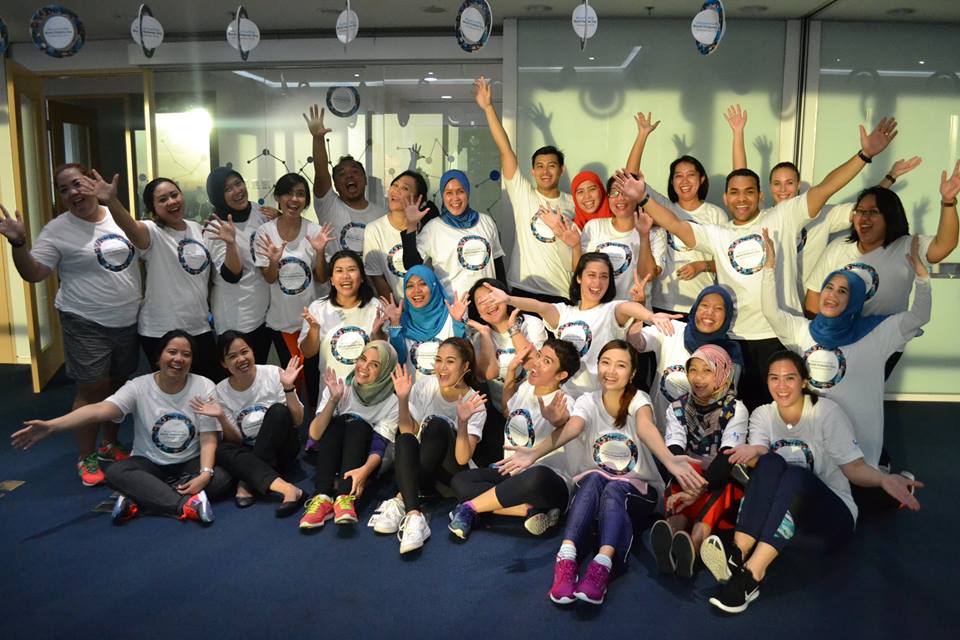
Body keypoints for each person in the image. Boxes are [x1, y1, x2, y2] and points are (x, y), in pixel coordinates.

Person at [614, 115, 899, 410]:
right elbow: (674, 223)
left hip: (779, 335)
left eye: (749, 192)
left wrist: (865, 155)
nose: (742, 199)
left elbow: (826, 188)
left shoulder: (783, 216)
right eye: (734, 192)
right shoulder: (717, 233)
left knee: (783, 411)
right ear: (725, 198)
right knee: (738, 414)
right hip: (733, 338)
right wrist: (643, 197)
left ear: (760, 195)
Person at [702, 351, 921, 614]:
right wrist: (753, 450)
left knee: (796, 475)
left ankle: (752, 576)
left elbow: (854, 468)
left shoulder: (825, 413)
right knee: (770, 462)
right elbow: (760, 451)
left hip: (830, 523)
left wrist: (883, 479)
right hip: (784, 527)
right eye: (774, 378)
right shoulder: (763, 414)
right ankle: (737, 555)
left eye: (790, 378)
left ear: (804, 381)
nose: (781, 386)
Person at [532, 340, 706, 605]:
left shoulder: (639, 399)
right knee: (592, 478)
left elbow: (646, 427)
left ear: (632, 373)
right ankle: (566, 560)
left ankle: (602, 565)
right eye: (606, 363)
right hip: (597, 488)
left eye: (621, 365)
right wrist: (533, 453)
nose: (611, 371)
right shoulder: (587, 400)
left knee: (614, 487)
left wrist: (669, 459)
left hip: (637, 491)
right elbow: (573, 428)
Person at [0, 164, 141, 486]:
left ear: (92, 183)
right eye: (63, 189)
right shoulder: (57, 230)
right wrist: (19, 244)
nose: (72, 193)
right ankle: (86, 455)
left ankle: (110, 443)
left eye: (77, 184)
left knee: (119, 385)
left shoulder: (116, 217)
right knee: (92, 388)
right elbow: (34, 273)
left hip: (127, 318)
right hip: (85, 320)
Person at [11, 330, 235, 525]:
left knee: (222, 479)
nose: (178, 359)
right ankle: (185, 505)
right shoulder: (138, 386)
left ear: (192, 361)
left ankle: (141, 497)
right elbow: (99, 409)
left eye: (186, 354)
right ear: (158, 357)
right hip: (149, 463)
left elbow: (208, 437)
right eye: (172, 352)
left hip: (189, 463)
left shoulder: (203, 385)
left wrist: (205, 474)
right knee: (116, 472)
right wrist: (52, 426)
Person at [759, 229, 931, 468]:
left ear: (856, 299)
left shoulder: (876, 333)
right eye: (828, 287)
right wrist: (769, 268)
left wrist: (922, 277)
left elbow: (919, 316)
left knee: (860, 483)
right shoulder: (802, 331)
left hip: (860, 439)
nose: (832, 295)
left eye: (843, 291)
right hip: (815, 437)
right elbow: (771, 312)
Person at [724, 104, 922, 288]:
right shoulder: (764, 216)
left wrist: (889, 176)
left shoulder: (823, 214)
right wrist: (738, 133)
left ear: (798, 185)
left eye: (789, 183)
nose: (783, 189)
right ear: (769, 188)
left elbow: (864, 206)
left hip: (811, 301)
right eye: (777, 184)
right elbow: (741, 180)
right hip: (771, 301)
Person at [479, 253, 679, 398]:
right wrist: (509, 299)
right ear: (579, 277)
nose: (597, 282)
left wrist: (651, 316)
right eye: (591, 275)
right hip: (565, 397)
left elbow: (630, 307)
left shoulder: (612, 309)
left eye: (604, 276)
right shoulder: (564, 312)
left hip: (600, 398)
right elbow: (538, 305)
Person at [83, 173, 220, 380]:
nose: (171, 201)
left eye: (174, 195)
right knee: (170, 388)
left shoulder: (196, 228)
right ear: (153, 208)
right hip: (160, 329)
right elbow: (130, 227)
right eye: (162, 199)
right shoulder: (151, 231)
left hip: (199, 325)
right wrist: (112, 201)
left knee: (207, 384)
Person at [447, 338, 580, 539]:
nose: (536, 363)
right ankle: (529, 511)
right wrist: (510, 372)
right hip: (513, 473)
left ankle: (469, 508)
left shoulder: (564, 401)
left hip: (549, 483)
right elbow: (508, 410)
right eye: (539, 356)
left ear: (561, 375)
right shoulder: (526, 387)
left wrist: (555, 418)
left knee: (536, 476)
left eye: (546, 361)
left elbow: (563, 420)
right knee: (461, 481)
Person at [369, 338, 487, 554]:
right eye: (438, 360)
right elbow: (408, 430)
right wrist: (402, 399)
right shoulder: (426, 386)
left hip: (451, 478)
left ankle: (401, 498)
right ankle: (414, 514)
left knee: (437, 424)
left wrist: (462, 423)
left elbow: (462, 458)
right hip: (425, 475)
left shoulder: (475, 402)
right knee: (404, 439)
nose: (442, 368)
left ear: (465, 367)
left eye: (450, 362)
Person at [804, 164, 958, 320]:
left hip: (887, 335)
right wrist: (819, 332)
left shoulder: (906, 247)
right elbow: (814, 294)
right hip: (839, 335)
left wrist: (948, 202)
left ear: (890, 217)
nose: (864, 218)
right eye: (860, 211)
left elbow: (944, 245)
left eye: (874, 212)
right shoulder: (838, 247)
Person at [474, 76, 575, 303]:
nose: (545, 171)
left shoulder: (573, 203)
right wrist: (488, 107)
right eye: (540, 166)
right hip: (523, 289)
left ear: (561, 170)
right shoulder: (524, 195)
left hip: (561, 293)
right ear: (532, 171)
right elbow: (505, 149)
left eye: (551, 166)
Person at [650, 345, 748, 578]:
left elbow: (726, 459)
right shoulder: (678, 407)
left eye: (707, 371)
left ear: (723, 373)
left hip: (721, 481)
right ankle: (673, 533)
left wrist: (695, 490)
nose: (698, 378)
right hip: (688, 479)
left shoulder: (735, 409)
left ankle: (693, 544)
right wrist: (688, 482)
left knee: (721, 483)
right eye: (693, 370)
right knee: (684, 468)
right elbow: (675, 451)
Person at [189, 331, 305, 513]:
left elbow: (297, 421)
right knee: (221, 449)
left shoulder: (272, 373)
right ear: (224, 363)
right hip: (248, 451)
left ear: (252, 351)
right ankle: (283, 487)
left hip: (282, 449)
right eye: (232, 356)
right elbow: (236, 441)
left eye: (244, 352)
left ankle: (246, 482)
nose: (241, 359)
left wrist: (288, 388)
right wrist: (221, 417)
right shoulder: (220, 391)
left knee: (278, 411)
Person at [626, 112, 725, 318]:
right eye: (678, 176)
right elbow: (630, 179)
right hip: (664, 302)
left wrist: (701, 266)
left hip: (702, 306)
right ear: (672, 182)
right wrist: (642, 135)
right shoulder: (663, 207)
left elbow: (729, 260)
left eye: (691, 175)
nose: (684, 181)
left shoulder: (716, 214)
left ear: (702, 179)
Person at [299, 341, 400, 529]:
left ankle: (345, 498)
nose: (364, 367)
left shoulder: (392, 401)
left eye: (374, 365)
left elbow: (379, 447)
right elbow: (314, 434)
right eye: (363, 359)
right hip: (332, 454)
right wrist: (333, 400)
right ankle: (322, 497)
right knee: (338, 422)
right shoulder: (340, 385)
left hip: (367, 461)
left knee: (358, 425)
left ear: (386, 370)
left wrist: (364, 472)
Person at [254, 173, 331, 405]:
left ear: (306, 201)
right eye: (288, 193)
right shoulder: (265, 232)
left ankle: (315, 422)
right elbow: (269, 278)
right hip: (282, 321)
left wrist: (320, 252)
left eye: (300, 194)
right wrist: (273, 261)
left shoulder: (315, 231)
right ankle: (296, 423)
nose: (294, 199)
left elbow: (322, 278)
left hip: (313, 322)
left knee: (314, 381)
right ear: (278, 197)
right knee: (292, 382)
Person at [626, 285, 743, 425]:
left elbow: (723, 402)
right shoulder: (673, 329)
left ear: (727, 315)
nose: (709, 312)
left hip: (701, 435)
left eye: (718, 309)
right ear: (695, 308)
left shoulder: (730, 352)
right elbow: (636, 343)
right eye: (704, 305)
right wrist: (639, 308)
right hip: (657, 430)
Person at [466, 277, 548, 466]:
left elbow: (534, 366)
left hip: (537, 408)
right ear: (477, 311)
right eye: (481, 303)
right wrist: (485, 335)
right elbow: (487, 375)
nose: (489, 305)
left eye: (492, 297)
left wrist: (513, 330)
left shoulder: (531, 323)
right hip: (501, 412)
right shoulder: (478, 337)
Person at [550, 176, 665, 303]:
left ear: (638, 196)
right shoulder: (594, 226)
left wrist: (644, 236)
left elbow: (647, 276)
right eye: (614, 193)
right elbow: (580, 272)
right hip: (596, 309)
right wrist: (576, 246)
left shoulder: (655, 232)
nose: (620, 198)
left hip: (634, 310)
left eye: (626, 192)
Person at [204, 167, 276, 363]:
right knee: (240, 371)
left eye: (238, 183)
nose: (237, 191)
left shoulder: (258, 211)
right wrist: (230, 243)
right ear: (218, 196)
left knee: (259, 368)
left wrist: (279, 217)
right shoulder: (216, 227)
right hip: (236, 318)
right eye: (228, 189)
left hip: (263, 312)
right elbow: (232, 274)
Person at [401, 169, 506, 296]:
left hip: (488, 302)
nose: (455, 198)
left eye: (460, 191)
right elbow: (411, 264)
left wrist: (506, 297)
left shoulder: (486, 221)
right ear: (442, 195)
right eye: (449, 193)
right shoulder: (433, 228)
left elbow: (497, 263)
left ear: (468, 192)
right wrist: (411, 225)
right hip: (453, 304)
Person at [305, 104, 386, 257]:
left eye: (355, 172)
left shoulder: (382, 215)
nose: (349, 176)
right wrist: (318, 139)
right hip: (335, 272)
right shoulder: (328, 205)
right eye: (342, 174)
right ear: (335, 184)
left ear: (365, 180)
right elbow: (321, 171)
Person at [299, 249, 386, 384]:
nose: (345, 276)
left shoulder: (376, 307)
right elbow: (307, 352)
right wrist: (314, 330)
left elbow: (385, 353)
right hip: (332, 389)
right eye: (339, 271)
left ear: (362, 277)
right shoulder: (318, 308)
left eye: (351, 270)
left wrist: (377, 333)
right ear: (332, 280)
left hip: (368, 389)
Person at [382, 265, 468, 378]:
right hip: (413, 388)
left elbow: (463, 357)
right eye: (410, 286)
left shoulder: (452, 315)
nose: (416, 290)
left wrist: (457, 323)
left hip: (449, 388)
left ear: (434, 286)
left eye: (423, 284)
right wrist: (395, 325)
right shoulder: (400, 322)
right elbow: (399, 362)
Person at [363, 170, 432, 301]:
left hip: (427, 306)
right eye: (395, 185)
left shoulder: (428, 228)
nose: (396, 191)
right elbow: (377, 277)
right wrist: (396, 309)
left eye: (405, 188)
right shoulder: (374, 229)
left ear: (418, 199)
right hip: (395, 307)